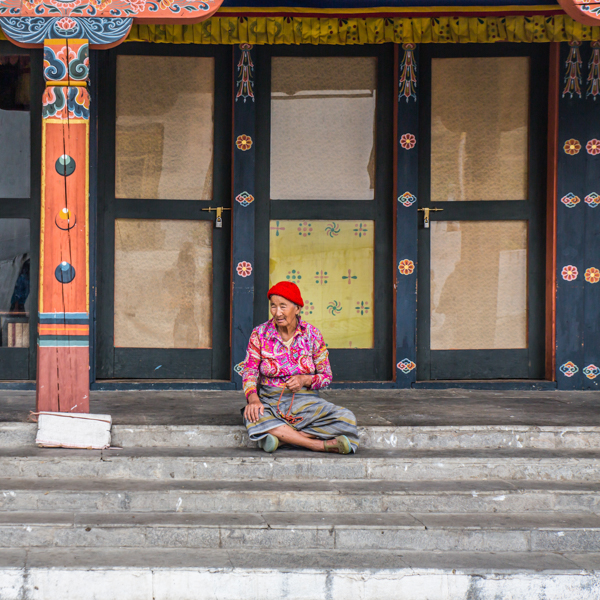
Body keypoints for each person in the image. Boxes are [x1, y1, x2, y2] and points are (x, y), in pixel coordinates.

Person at [242, 281, 359, 454]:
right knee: (253, 415)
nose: (277, 312)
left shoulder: (312, 335)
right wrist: (253, 399)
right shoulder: (260, 334)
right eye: (273, 306)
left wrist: (305, 379)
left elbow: (326, 375)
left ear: (297, 308)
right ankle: (317, 445)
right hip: (270, 401)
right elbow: (249, 371)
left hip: (307, 402)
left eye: (283, 306)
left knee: (346, 418)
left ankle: (283, 438)